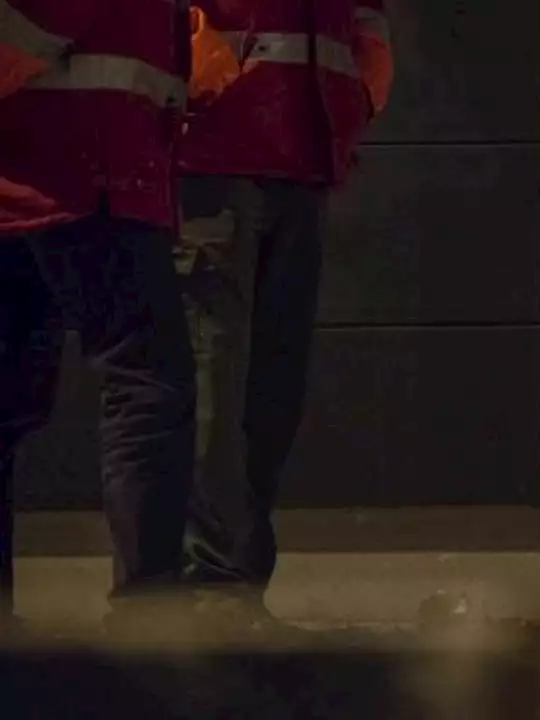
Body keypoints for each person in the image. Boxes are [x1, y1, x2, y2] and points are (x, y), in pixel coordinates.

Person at [177, 1, 393, 632]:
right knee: (214, 381)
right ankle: (211, 590)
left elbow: (362, 22)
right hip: (213, 157)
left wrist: (355, 98)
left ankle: (236, 588)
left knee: (269, 390)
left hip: (300, 157)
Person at [0, 1, 196, 630]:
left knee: (8, 403)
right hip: (88, 176)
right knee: (149, 383)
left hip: (42, 178)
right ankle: (150, 611)